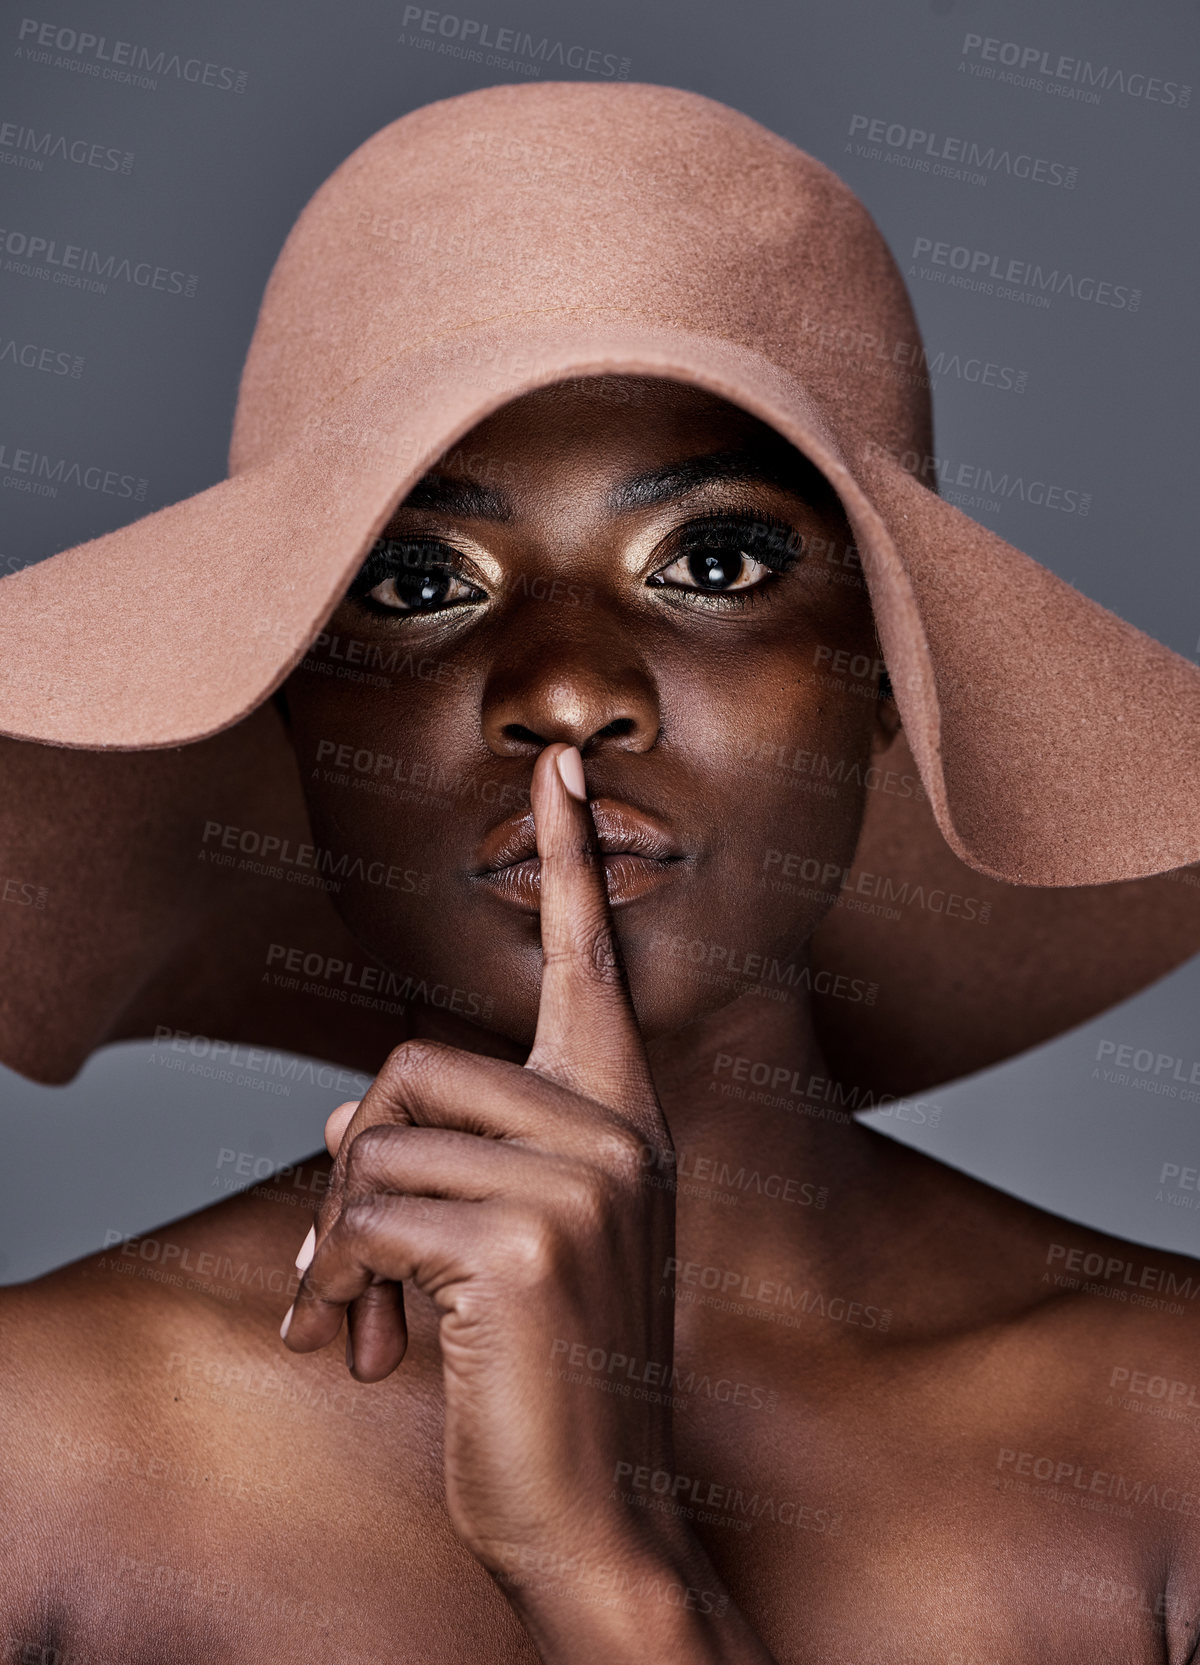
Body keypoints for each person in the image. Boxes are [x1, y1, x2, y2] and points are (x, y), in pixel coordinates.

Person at [1, 83, 1198, 1663]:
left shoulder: (1166, 1435)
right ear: (291, 693)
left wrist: (604, 1564)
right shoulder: (47, 1448)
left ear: (895, 667)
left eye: (712, 561)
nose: (564, 689)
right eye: (422, 581)